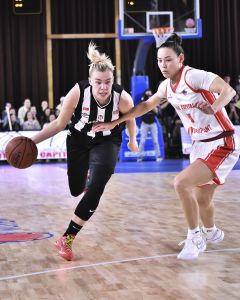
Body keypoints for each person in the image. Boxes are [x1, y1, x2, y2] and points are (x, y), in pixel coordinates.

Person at [93, 33, 240, 260]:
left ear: (180, 59)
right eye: (160, 60)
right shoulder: (166, 87)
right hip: (200, 145)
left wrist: (215, 107)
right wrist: (114, 122)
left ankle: (195, 237)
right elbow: (145, 106)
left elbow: (228, 91)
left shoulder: (195, 76)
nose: (163, 64)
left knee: (180, 183)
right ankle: (210, 232)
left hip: (222, 141)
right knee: (202, 199)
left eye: (168, 59)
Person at [31, 42, 138, 261]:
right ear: (90, 81)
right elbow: (59, 124)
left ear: (113, 82)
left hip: (107, 142)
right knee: (75, 189)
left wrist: (133, 140)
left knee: (96, 187)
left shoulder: (122, 97)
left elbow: (132, 117)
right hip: (78, 141)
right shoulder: (77, 92)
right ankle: (88, 178)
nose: (103, 87)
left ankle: (67, 238)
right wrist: (32, 142)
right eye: (98, 82)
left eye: (108, 82)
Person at [137, 89, 162, 162]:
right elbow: (140, 111)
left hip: (153, 123)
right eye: (147, 95)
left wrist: (152, 105)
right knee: (142, 141)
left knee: (155, 141)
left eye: (149, 95)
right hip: (144, 123)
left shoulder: (154, 102)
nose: (148, 96)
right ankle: (139, 157)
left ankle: (158, 156)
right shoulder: (142, 102)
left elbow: (157, 112)